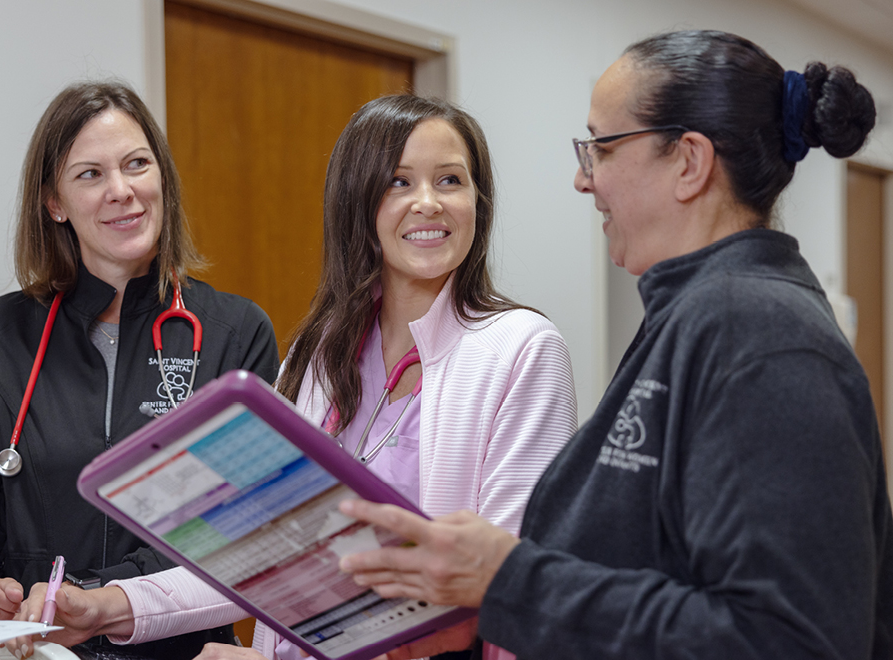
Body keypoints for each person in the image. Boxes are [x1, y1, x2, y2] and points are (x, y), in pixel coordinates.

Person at [336, 30, 893, 660]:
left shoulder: (762, 334)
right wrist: (490, 612)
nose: (581, 178)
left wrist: (508, 580)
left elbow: (791, 639)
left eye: (599, 147)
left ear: (689, 161)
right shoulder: (691, 318)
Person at [5, 94, 579, 660]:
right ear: (357, 203)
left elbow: (508, 595)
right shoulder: (320, 352)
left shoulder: (521, 351)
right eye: (398, 182)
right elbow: (257, 552)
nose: (428, 203)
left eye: (451, 180)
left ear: (479, 199)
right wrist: (108, 606)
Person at [0, 81, 280, 659]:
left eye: (137, 164)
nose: (122, 191)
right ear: (55, 202)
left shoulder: (234, 336)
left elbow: (241, 529)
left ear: (161, 176)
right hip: (34, 651)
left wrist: (95, 597)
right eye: (90, 174)